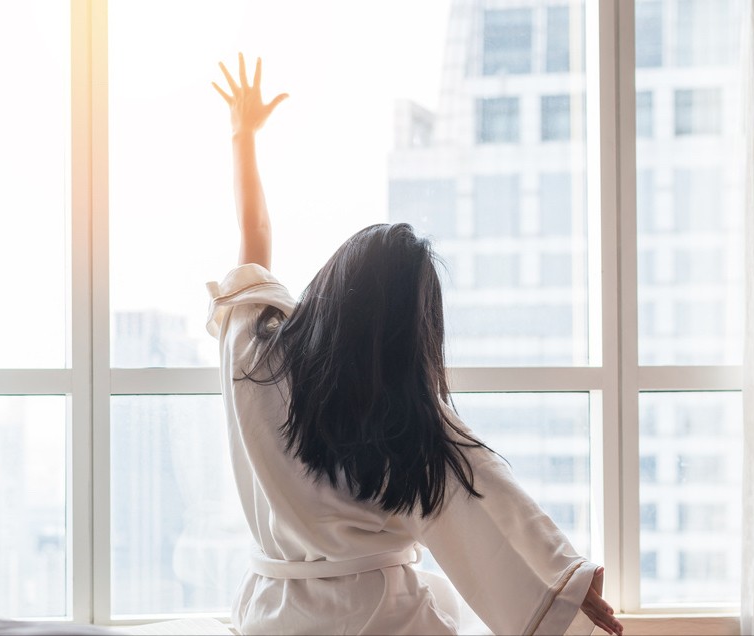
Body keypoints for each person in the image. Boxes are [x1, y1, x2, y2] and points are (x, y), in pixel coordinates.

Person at [207, 53, 624, 636]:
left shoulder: (252, 355)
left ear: (329, 285)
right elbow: (495, 492)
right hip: (385, 618)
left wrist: (242, 136)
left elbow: (254, 238)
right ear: (413, 334)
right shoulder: (409, 425)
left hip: (272, 618)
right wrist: (567, 579)